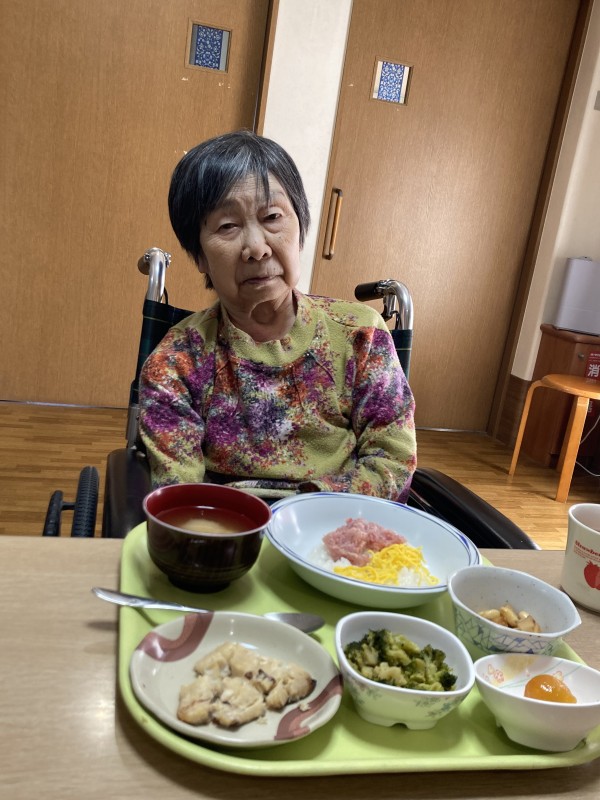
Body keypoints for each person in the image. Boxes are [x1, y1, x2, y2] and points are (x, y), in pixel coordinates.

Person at [139, 130, 416, 501]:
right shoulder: (176, 364)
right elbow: (182, 497)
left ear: (300, 229)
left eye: (272, 216)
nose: (257, 248)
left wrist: (304, 514)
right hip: (229, 525)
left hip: (340, 523)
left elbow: (391, 464)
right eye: (227, 226)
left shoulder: (360, 335)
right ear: (200, 255)